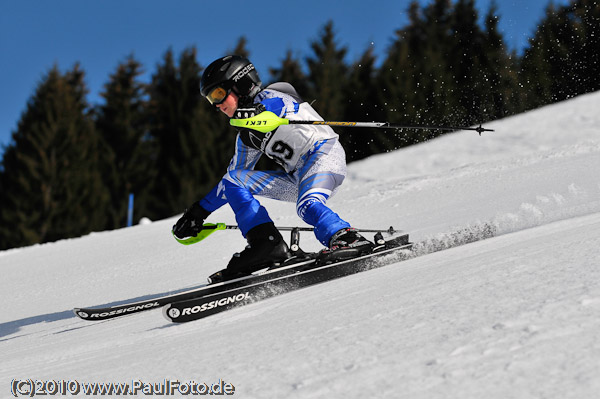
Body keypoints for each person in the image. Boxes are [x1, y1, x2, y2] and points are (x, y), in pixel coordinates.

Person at [172, 55, 373, 283]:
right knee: (234, 180)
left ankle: (347, 238)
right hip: (297, 177)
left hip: (324, 156)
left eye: (218, 94)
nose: (216, 105)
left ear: (241, 84)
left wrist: (254, 113)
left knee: (307, 206)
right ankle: (266, 245)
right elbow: (232, 181)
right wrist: (199, 212)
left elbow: (277, 108)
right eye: (211, 99)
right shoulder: (247, 136)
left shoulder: (273, 95)